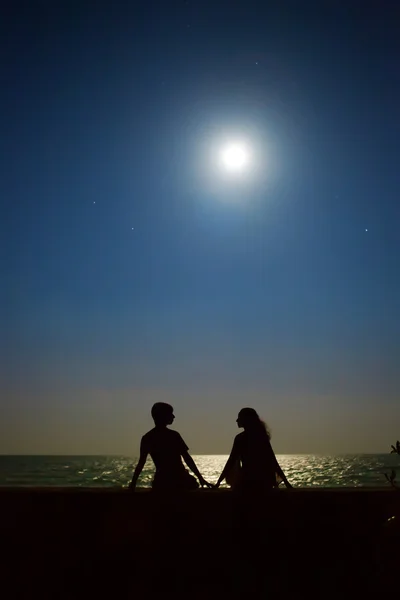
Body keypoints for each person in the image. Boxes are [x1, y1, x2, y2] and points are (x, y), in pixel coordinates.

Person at [129, 402, 212, 490]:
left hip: (161, 481)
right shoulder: (174, 435)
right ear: (163, 416)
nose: (173, 416)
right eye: (170, 414)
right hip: (180, 480)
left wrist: (134, 482)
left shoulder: (147, 438)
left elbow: (141, 463)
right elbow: (187, 458)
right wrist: (200, 478)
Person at [214, 407, 292, 491]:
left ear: (246, 420)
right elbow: (272, 460)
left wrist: (218, 482)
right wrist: (286, 482)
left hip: (248, 481)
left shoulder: (241, 438)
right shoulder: (261, 437)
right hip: (264, 481)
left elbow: (231, 461)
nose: (236, 420)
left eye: (239, 417)